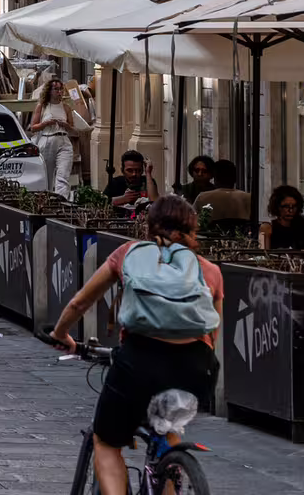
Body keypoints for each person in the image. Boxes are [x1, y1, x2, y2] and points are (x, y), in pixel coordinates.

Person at [50, 196, 221, 495]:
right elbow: (212, 331)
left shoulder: (129, 253)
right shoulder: (209, 270)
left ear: (148, 225)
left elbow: (81, 302)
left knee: (106, 440)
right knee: (167, 431)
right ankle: (172, 467)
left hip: (139, 361)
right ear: (193, 229)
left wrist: (61, 334)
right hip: (196, 366)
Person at [28, 76, 84, 197]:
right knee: (46, 176)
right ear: (49, 91)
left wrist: (66, 125)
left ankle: (61, 201)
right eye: (56, 89)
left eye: (60, 89)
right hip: (47, 139)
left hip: (63, 139)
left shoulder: (66, 107)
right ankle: (46, 201)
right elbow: (33, 128)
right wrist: (45, 123)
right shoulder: (42, 107)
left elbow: (74, 130)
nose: (59, 92)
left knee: (63, 176)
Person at [260, 185, 304, 252]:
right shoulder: (268, 228)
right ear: (277, 207)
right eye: (286, 206)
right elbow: (264, 256)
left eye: (294, 206)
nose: (290, 210)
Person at [191, 159, 252, 224]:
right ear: (235, 179)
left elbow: (191, 221)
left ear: (215, 178)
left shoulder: (202, 197)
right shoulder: (248, 198)